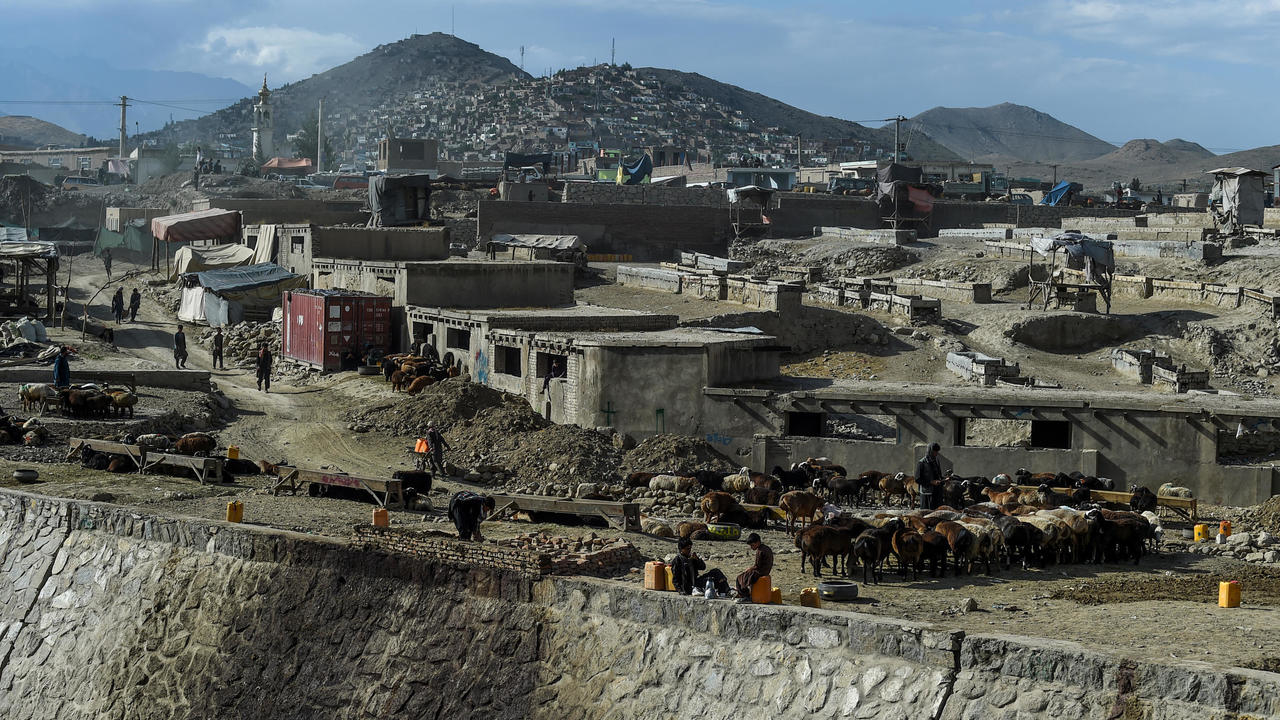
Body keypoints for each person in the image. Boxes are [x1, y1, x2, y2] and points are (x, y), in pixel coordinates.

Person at [734, 533, 774, 603]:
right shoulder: (766, 548)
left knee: (739, 578)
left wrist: (750, 569)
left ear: (758, 542)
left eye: (752, 545)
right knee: (745, 576)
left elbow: (757, 566)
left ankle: (745, 596)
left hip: (760, 572)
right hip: (766, 570)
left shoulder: (760, 551)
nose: (752, 547)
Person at [916, 442, 945, 511]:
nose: (936, 453)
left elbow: (938, 476)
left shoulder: (936, 461)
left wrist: (944, 479)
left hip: (937, 493)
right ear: (930, 451)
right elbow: (917, 479)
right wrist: (931, 482)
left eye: (937, 451)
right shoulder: (922, 463)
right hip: (927, 494)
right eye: (935, 451)